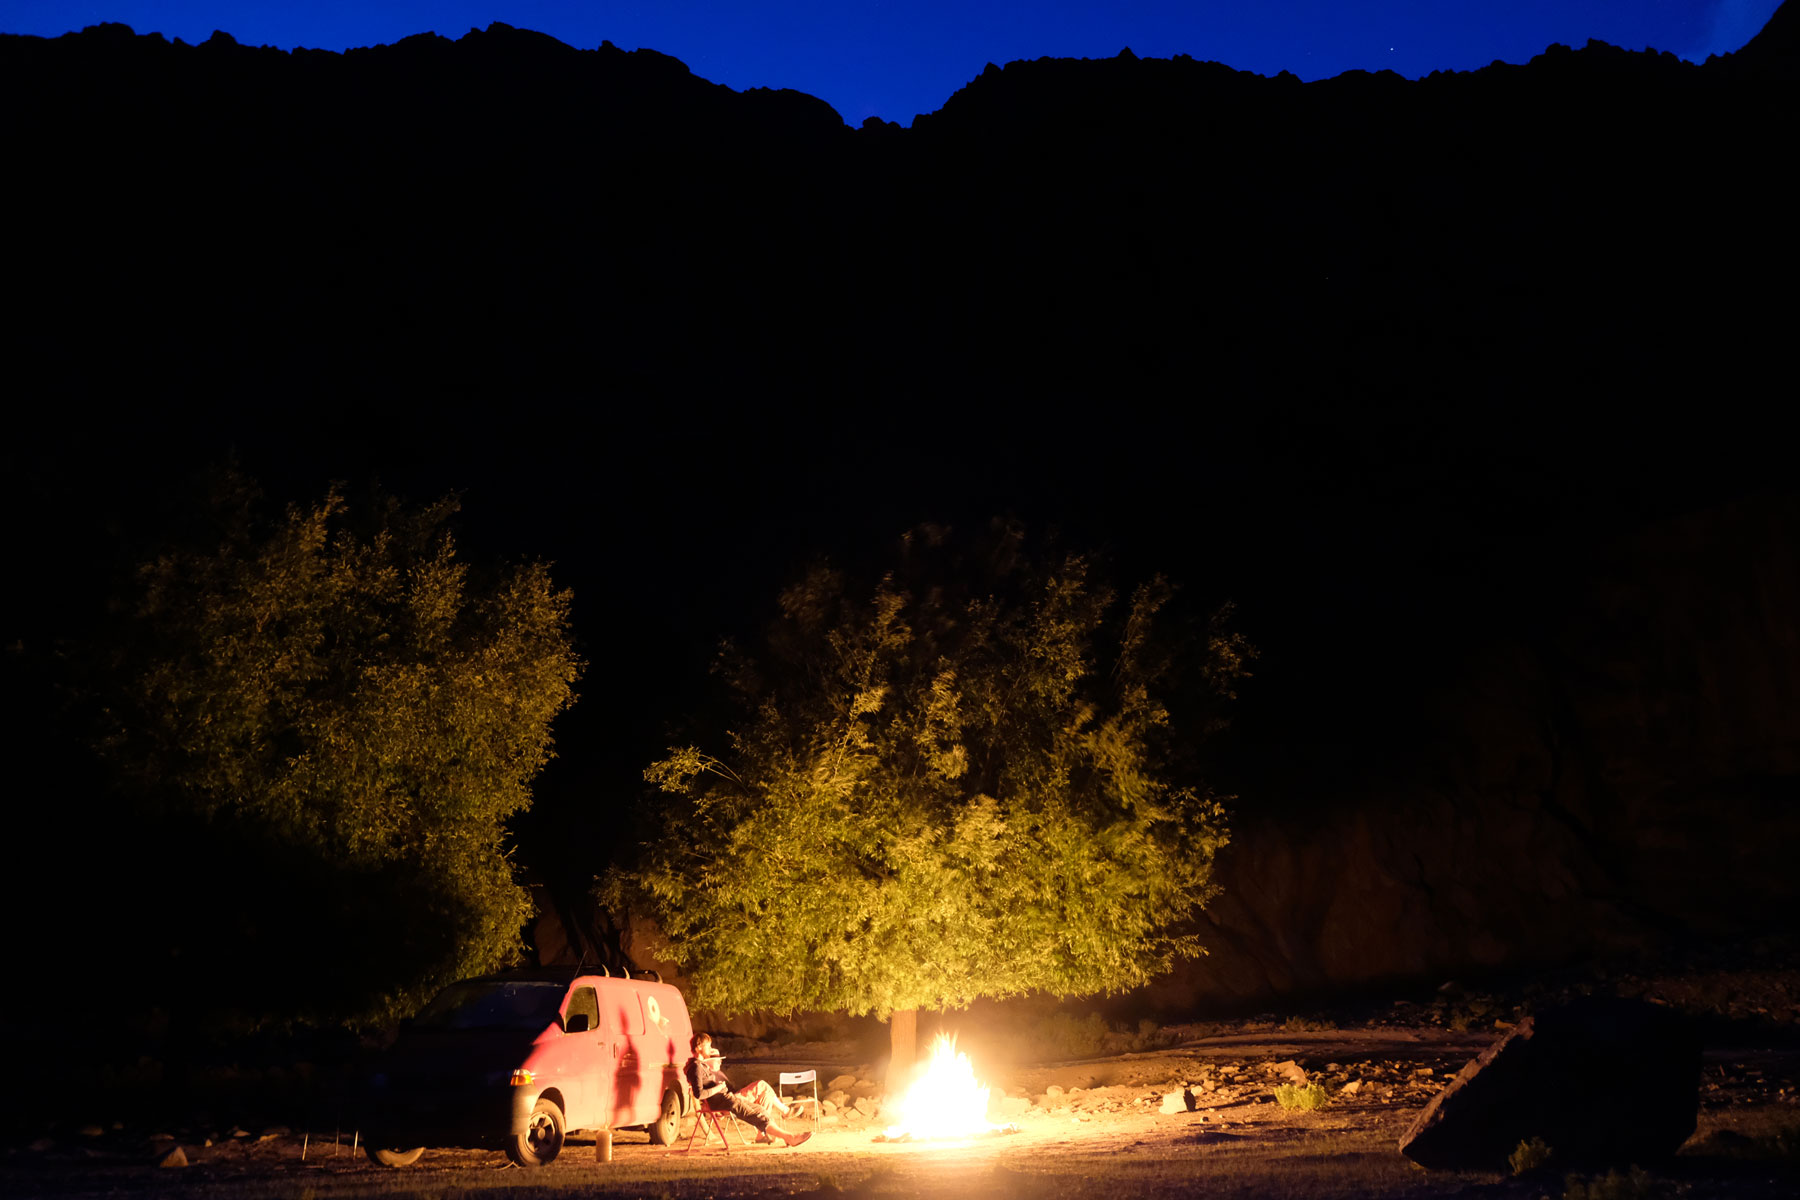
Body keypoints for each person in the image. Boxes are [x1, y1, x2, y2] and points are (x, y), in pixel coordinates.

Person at [685, 1032, 812, 1147]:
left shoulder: (701, 1066)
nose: (710, 1048)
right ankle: (790, 1137)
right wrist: (719, 1087)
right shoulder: (696, 1067)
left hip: (728, 1098)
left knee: (760, 1109)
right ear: (699, 1047)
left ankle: (782, 1136)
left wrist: (721, 1088)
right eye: (708, 1045)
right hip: (725, 1102)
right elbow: (699, 1094)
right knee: (756, 1114)